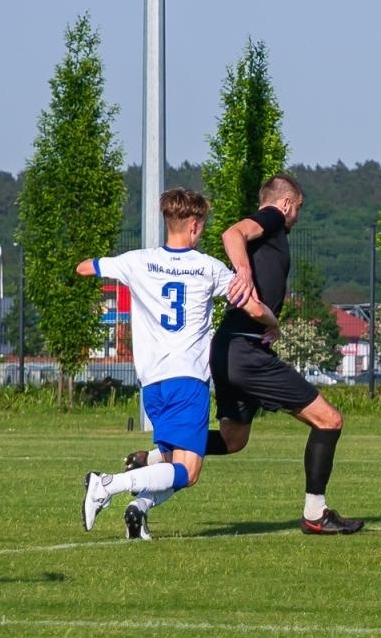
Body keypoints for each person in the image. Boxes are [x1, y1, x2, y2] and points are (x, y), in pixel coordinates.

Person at [127, 174, 363, 534]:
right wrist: (244, 273)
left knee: (234, 439)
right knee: (329, 420)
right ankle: (315, 513)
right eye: (297, 208)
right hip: (244, 351)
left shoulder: (271, 234)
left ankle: (156, 457)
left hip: (228, 348)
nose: (296, 217)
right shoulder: (271, 218)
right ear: (286, 204)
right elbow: (231, 234)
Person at [78, 188, 279, 539]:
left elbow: (85, 268)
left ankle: (138, 510)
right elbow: (252, 306)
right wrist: (273, 324)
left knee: (175, 464)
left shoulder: (137, 261)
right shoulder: (208, 268)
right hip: (187, 380)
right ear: (196, 225)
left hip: (152, 384)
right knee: (189, 471)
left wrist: (116, 272)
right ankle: (108, 484)